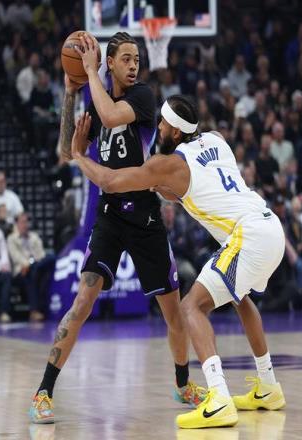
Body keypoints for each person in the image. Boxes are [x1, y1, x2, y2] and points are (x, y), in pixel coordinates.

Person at [70, 94, 287, 429]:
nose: (158, 127)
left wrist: (78, 156)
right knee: (240, 298)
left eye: (162, 123)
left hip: (249, 235)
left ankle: (219, 398)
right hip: (270, 226)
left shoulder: (169, 164)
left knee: (191, 307)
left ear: (174, 130)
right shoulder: (217, 139)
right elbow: (186, 188)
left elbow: (109, 182)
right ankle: (269, 387)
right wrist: (158, 184)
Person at [29, 33, 204, 424]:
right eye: (125, 58)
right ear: (110, 62)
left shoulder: (142, 97)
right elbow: (66, 151)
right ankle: (44, 392)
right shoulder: (96, 99)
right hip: (109, 216)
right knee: (82, 303)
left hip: (145, 216)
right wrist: (69, 93)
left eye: (136, 58)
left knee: (173, 315)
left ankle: (183, 384)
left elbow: (110, 116)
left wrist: (90, 72)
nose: (133, 65)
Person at [8, 212, 55, 321]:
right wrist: (27, 264)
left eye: (26, 222)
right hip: (21, 270)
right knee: (30, 275)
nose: (25, 224)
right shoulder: (12, 239)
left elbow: (41, 255)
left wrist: (32, 264)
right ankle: (34, 311)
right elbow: (15, 257)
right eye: (22, 222)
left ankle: (45, 308)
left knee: (49, 264)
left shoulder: (34, 237)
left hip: (36, 266)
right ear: (17, 224)